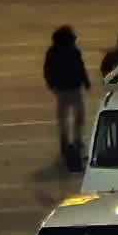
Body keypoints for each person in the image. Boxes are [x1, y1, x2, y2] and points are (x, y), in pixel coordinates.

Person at [43, 26, 91, 170]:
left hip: (63, 89)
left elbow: (48, 70)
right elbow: (80, 67)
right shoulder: (72, 51)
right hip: (72, 88)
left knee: (64, 118)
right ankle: (76, 140)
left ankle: (66, 142)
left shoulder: (53, 52)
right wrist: (85, 81)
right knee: (78, 117)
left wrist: (51, 84)